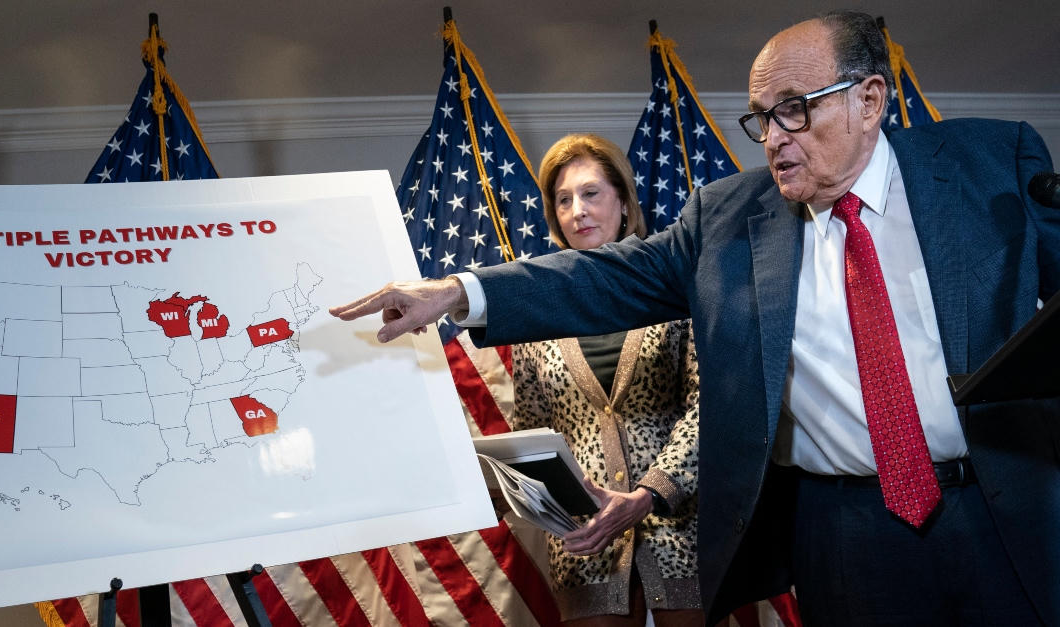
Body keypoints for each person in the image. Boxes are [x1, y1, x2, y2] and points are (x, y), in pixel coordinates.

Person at [332, 10, 1060, 626]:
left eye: (794, 109)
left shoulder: (992, 163)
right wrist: (458, 292)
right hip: (845, 533)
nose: (772, 137)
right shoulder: (727, 219)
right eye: (761, 118)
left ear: (869, 99)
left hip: (1004, 505)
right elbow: (605, 275)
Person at [511, 133, 703, 626]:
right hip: (585, 545)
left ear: (623, 200)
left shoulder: (674, 290)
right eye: (563, 199)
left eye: (591, 193)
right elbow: (532, 434)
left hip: (682, 534)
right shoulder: (535, 314)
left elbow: (709, 408)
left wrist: (651, 492)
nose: (578, 210)